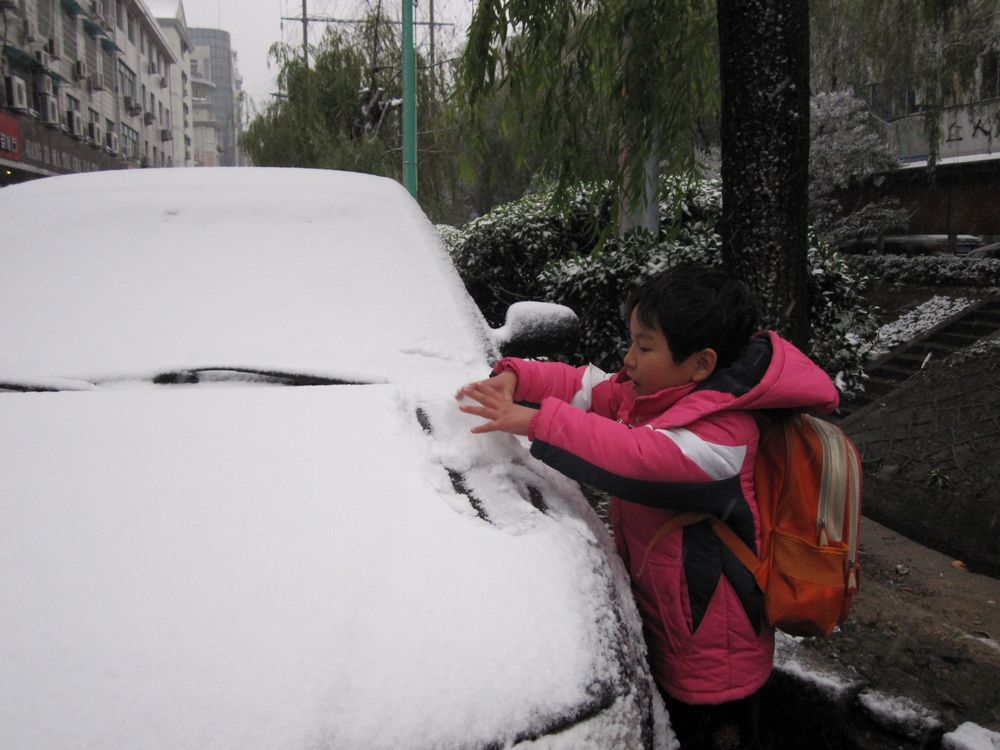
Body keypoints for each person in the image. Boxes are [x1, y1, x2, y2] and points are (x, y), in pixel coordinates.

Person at [456, 262, 840, 750]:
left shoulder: (726, 439)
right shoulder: (661, 392)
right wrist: (515, 376)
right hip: (671, 628)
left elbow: (636, 458)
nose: (628, 358)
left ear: (701, 363)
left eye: (644, 346)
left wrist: (532, 421)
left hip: (713, 658)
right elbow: (587, 386)